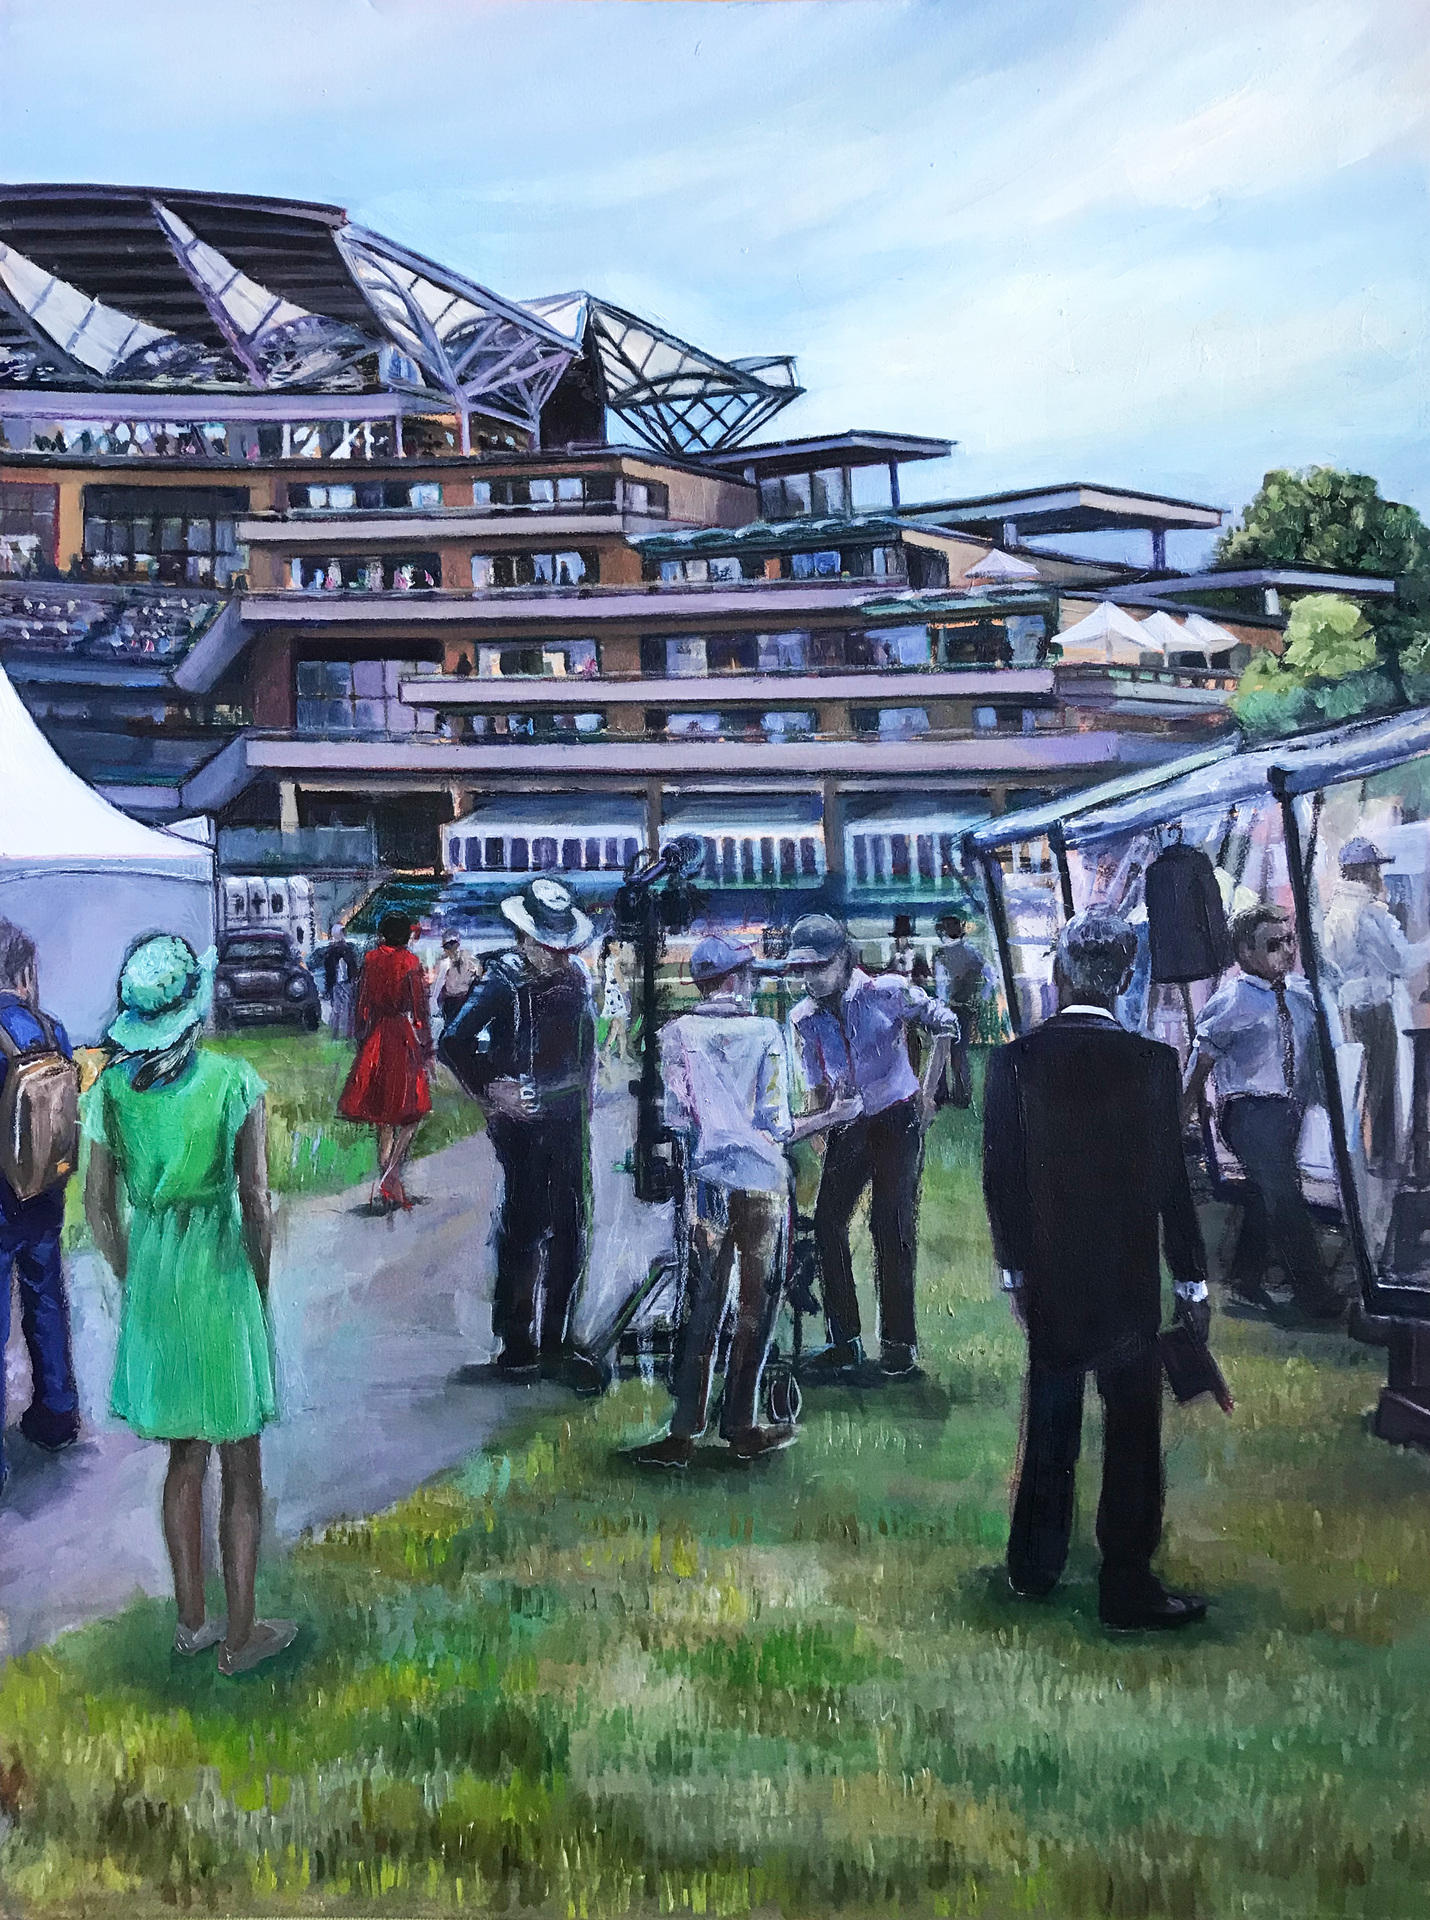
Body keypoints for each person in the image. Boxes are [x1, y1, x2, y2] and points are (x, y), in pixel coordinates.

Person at [983, 908, 1211, 1632]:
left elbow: (1001, 1177)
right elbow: (1171, 1181)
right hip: (1126, 1273)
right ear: (1126, 975)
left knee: (1051, 1412)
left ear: (1060, 971)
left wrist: (1014, 1269)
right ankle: (1126, 1581)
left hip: (1051, 1270)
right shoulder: (1154, 1064)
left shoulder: (1014, 1062)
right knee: (1133, 1426)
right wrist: (1191, 1278)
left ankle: (1035, 1563)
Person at [84, 934, 295, 1674]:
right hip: (220, 1271)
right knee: (240, 1463)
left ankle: (192, 1622)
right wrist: (257, 1279)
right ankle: (241, 1636)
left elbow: (98, 1209)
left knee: (183, 1457)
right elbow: (255, 1199)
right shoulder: (235, 1082)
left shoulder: (111, 1091)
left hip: (157, 1279)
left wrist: (132, 1274)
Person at [632, 936, 861, 1470]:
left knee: (703, 1304)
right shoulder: (766, 1032)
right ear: (737, 980)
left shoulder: (675, 1035)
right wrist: (835, 1114)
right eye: (750, 975)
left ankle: (683, 1429)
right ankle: (741, 1423)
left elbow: (678, 1119)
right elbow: (778, 1125)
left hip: (706, 1182)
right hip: (761, 1184)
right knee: (758, 1305)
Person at [786, 913, 957, 1380]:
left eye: (820, 966)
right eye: (804, 969)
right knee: (827, 1222)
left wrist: (928, 1092)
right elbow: (815, 1079)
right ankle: (844, 1340)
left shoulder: (886, 992)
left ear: (844, 959)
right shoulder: (804, 1017)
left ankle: (899, 1345)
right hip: (848, 1124)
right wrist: (820, 1130)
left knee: (891, 1223)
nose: (811, 978)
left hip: (896, 1117)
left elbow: (945, 1022)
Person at [439, 878, 596, 1379]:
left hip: (567, 1116)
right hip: (523, 1120)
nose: (556, 955)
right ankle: (517, 1342)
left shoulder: (575, 979)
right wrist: (491, 1090)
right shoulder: (504, 980)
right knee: (526, 1225)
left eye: (562, 946)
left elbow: (585, 1046)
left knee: (570, 1226)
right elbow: (453, 1042)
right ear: (525, 936)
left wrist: (586, 1097)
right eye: (547, 944)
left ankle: (557, 1339)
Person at [1184, 905, 1343, 1320]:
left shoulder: (1302, 995)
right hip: (1248, 1110)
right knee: (1284, 1193)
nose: (1286, 951)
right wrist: (1182, 1113)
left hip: (1289, 1110)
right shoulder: (1232, 1000)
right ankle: (1313, 1290)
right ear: (1245, 952)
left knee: (1265, 1192)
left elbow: (1316, 1056)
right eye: (1273, 945)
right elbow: (1201, 1062)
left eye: (1289, 941)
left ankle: (1245, 1277)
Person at [0, 918, 80, 1495]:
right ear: (24, 972)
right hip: (44, 1193)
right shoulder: (53, 1031)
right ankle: (57, 1413)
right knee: (46, 1300)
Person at [1322, 837, 1430, 1171]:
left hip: (1350, 1005)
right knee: (1381, 1083)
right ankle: (1381, 1158)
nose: (1380, 876)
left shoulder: (1335, 912)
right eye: (1376, 869)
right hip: (1374, 1005)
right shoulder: (1367, 915)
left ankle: (1367, 1154)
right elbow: (1399, 961)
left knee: (1362, 1079)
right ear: (1365, 872)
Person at [337, 913, 432, 1212]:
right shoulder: (410, 963)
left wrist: (362, 1037)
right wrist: (427, 1045)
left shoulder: (370, 960)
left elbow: (362, 1004)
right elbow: (419, 1010)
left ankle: (387, 1177)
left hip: (377, 1036)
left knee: (384, 1115)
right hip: (400, 1036)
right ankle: (391, 1174)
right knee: (411, 1110)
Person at [933, 914, 991, 1107]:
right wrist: (981, 996)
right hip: (965, 1008)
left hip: (946, 1009)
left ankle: (942, 1093)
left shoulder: (941, 955)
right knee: (960, 1051)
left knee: (942, 1050)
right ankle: (962, 1094)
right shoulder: (972, 952)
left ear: (944, 932)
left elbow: (941, 987)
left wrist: (940, 1006)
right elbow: (991, 976)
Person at [320, 923, 360, 1041]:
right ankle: (337, 1033)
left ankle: (346, 1034)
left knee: (347, 1008)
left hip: (346, 983)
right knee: (338, 1009)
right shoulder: (332, 951)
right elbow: (329, 971)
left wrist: (354, 980)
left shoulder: (347, 949)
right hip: (337, 984)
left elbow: (353, 966)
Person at [433, 932, 480, 1031]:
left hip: (463, 999)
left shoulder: (466, 957)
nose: (448, 950)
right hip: (452, 1000)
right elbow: (438, 984)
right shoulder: (444, 961)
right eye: (447, 947)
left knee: (460, 1027)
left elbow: (479, 973)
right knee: (452, 1026)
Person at [599, 938, 630, 1065]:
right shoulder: (614, 960)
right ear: (610, 946)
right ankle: (610, 1051)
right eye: (616, 944)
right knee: (619, 1023)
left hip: (611, 992)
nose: (619, 946)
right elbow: (618, 977)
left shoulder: (609, 959)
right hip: (615, 994)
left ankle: (621, 1053)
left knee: (618, 1024)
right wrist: (625, 990)